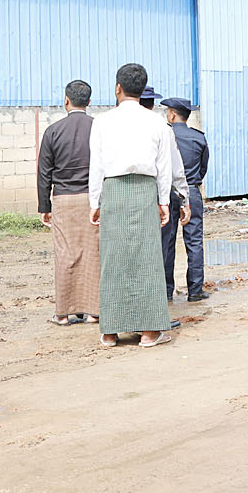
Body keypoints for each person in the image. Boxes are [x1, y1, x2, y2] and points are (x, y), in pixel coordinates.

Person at [88, 63, 176, 348]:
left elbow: (96, 166)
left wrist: (94, 201)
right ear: (142, 89)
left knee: (112, 259)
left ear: (118, 88)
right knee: (147, 259)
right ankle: (149, 332)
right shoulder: (157, 122)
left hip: (113, 190)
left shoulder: (102, 121)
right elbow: (164, 167)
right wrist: (164, 202)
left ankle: (110, 332)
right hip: (145, 191)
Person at [37, 79, 99, 325]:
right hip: (92, 200)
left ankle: (62, 313)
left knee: (65, 254)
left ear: (66, 100)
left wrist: (44, 206)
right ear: (89, 101)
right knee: (93, 254)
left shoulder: (53, 131)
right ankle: (94, 311)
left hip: (63, 199)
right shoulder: (98, 127)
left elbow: (44, 172)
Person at [160, 96, 209, 302]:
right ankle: (195, 290)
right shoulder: (198, 137)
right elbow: (203, 167)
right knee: (194, 241)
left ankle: (166, 291)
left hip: (167, 193)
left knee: (167, 242)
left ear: (172, 114)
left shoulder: (165, 135)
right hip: (192, 191)